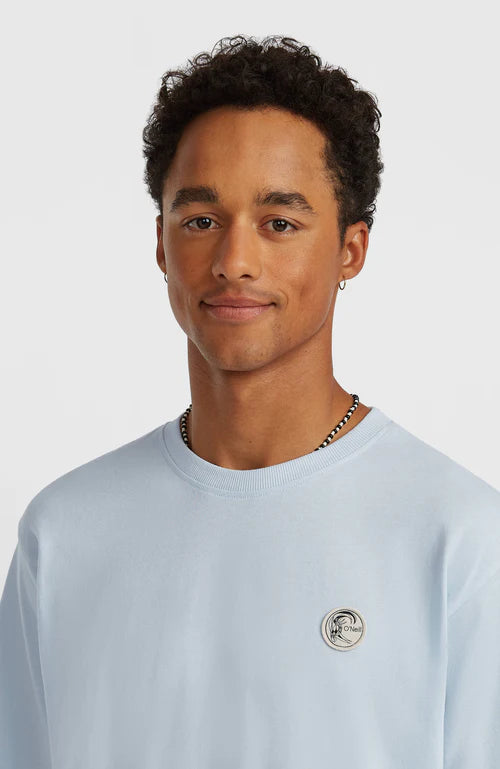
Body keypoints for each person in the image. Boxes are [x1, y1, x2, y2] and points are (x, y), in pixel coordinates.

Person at [1, 33, 499, 769]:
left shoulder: (460, 538)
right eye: (201, 220)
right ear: (162, 245)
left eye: (280, 224)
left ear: (351, 250)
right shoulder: (65, 532)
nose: (234, 261)